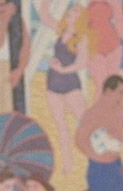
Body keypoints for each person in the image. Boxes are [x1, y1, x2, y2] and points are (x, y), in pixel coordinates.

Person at [75, 75, 123, 191]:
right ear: (109, 91)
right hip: (97, 168)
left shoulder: (122, 111)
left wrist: (120, 136)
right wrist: (96, 156)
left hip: (116, 166)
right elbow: (80, 139)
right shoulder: (93, 113)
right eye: (121, 93)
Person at [39, 0, 90, 175]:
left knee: (85, 122)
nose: (70, 11)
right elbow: (44, 17)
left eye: (75, 10)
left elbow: (83, 62)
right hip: (53, 82)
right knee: (61, 126)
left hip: (70, 82)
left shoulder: (82, 37)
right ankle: (67, 160)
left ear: (81, 17)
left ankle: (95, 156)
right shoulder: (61, 29)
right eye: (70, 9)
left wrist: (63, 69)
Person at [87, 0, 123, 94]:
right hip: (94, 45)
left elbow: (119, 24)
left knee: (112, 85)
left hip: (113, 44)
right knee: (100, 85)